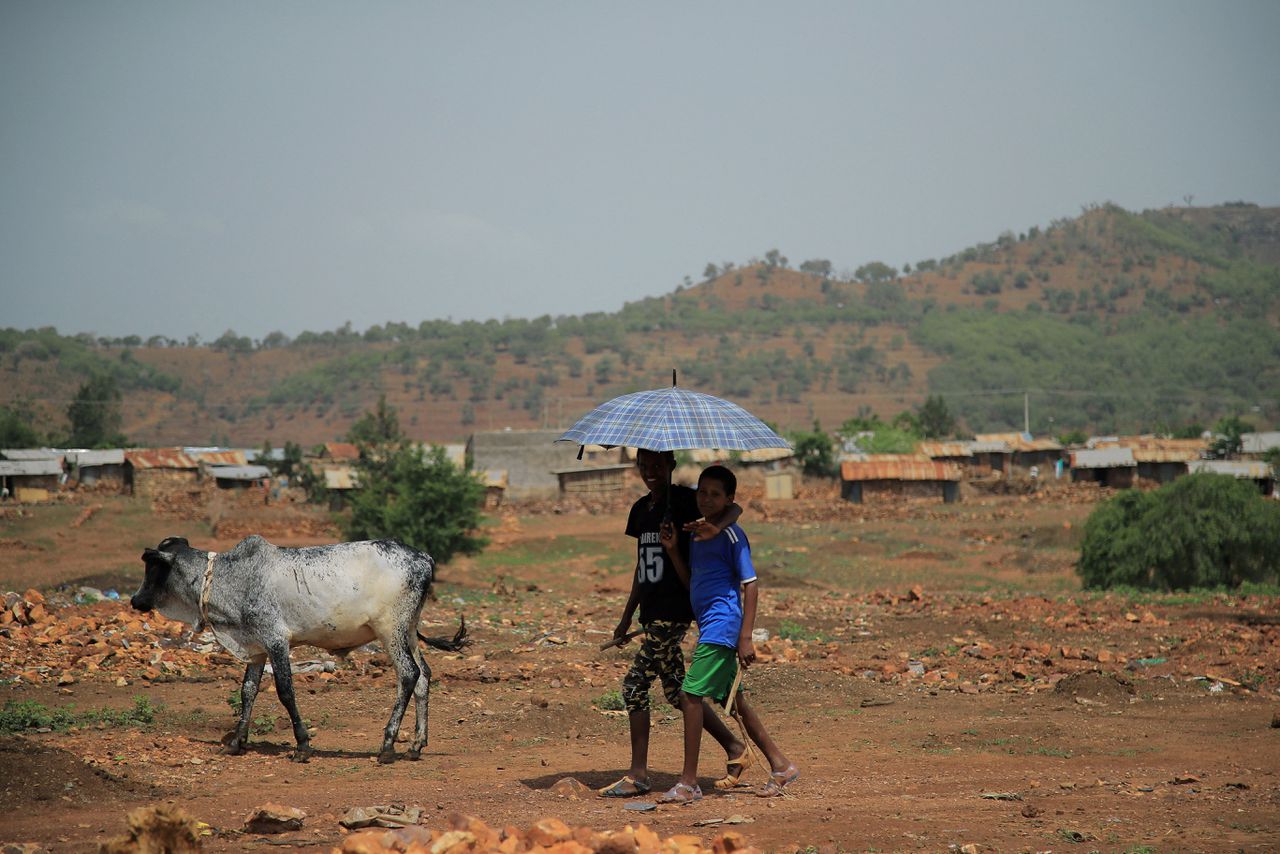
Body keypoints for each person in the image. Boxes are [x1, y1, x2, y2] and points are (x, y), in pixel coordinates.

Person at [599, 449, 751, 798]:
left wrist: (715, 526)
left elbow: (735, 508)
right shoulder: (641, 511)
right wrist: (626, 616)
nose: (650, 472)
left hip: (676, 610)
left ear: (671, 466)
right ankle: (734, 748)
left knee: (634, 685)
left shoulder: (685, 500)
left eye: (657, 465)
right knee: (677, 692)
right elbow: (642, 566)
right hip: (651, 613)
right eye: (644, 466)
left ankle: (639, 775)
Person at [656, 464, 798, 803]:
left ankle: (689, 782)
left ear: (728, 499)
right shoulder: (697, 534)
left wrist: (745, 636)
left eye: (715, 494)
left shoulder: (732, 535)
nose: (706, 499)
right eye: (702, 492)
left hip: (724, 624)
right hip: (709, 623)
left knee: (689, 696)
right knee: (734, 701)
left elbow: (750, 584)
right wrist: (674, 549)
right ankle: (781, 765)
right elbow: (694, 583)